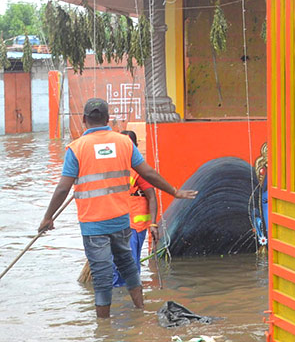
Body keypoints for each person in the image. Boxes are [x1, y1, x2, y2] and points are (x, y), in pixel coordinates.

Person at [38, 98, 196, 318]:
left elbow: (63, 187)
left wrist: (48, 217)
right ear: (108, 119)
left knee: (102, 276)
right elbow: (149, 173)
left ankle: (103, 331)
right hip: (122, 221)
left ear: (84, 120)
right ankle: (140, 311)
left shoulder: (76, 148)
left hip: (93, 225)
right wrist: (174, 192)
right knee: (128, 266)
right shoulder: (124, 143)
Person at [112, 130, 158, 288]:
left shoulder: (140, 172)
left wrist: (153, 224)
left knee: (129, 266)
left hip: (134, 228)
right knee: (118, 267)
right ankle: (122, 303)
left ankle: (128, 302)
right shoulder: (115, 170)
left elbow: (152, 196)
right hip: (117, 225)